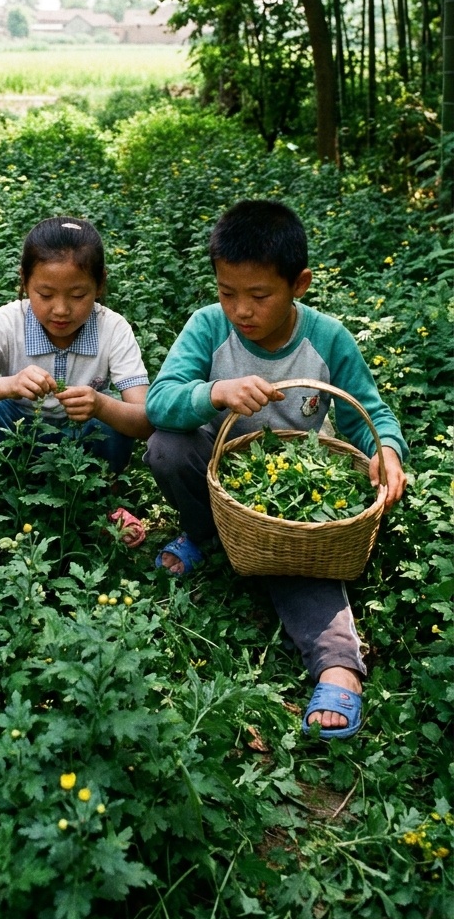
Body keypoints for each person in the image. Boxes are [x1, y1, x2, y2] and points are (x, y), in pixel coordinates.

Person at [144, 199, 408, 740]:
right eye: (227, 293)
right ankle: (208, 535)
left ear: (299, 284)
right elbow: (160, 401)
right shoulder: (208, 326)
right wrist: (215, 392)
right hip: (221, 467)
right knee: (166, 447)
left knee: (299, 552)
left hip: (292, 485)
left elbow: (370, 413)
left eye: (259, 296)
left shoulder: (327, 338)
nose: (241, 310)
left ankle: (337, 663)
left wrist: (387, 451)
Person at [0, 216, 152, 539]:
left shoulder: (113, 328)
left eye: (78, 295)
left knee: (114, 423)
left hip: (81, 441)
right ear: (24, 282)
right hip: (17, 436)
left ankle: (101, 502)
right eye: (46, 294)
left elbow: (146, 420)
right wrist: (9, 385)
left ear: (100, 284)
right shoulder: (8, 321)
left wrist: (100, 406)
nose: (61, 309)